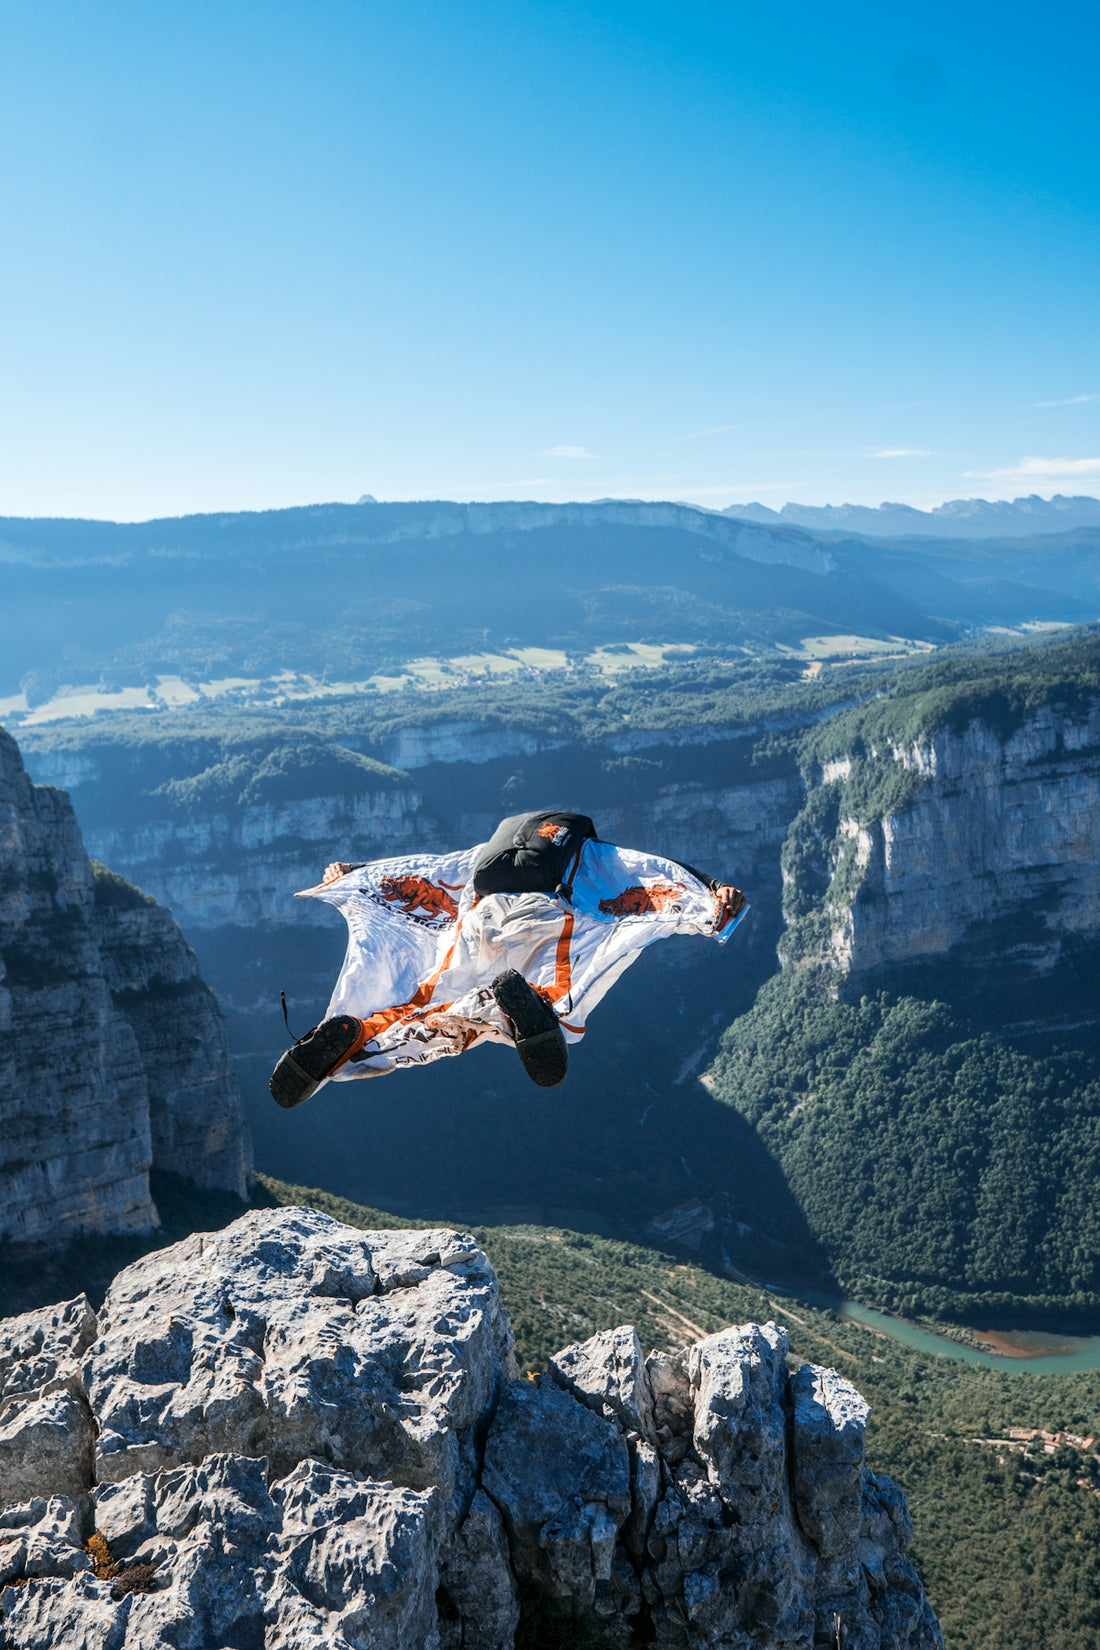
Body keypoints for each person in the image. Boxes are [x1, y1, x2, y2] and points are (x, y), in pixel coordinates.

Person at [269, 809, 747, 1107]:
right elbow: (660, 879)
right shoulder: (601, 856)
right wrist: (712, 899)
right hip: (546, 919)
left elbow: (427, 866)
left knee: (427, 1002)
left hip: (479, 919)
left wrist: (355, 873)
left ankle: (361, 1038)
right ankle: (531, 1017)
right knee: (558, 1000)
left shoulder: (488, 853)